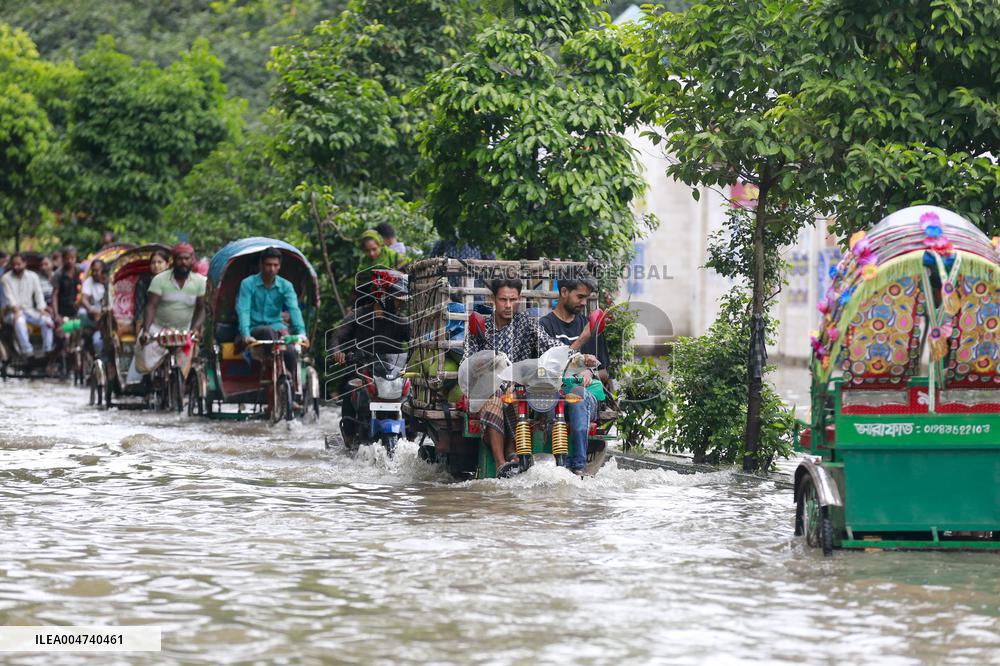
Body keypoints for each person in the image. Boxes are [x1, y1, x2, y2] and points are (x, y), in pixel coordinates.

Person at [464, 277, 563, 473]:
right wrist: (486, 364)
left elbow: (549, 345)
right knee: (495, 400)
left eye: (513, 299)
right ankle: (501, 463)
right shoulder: (481, 327)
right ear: (493, 299)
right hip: (487, 392)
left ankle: (513, 451)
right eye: (503, 300)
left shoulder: (527, 324)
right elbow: (467, 362)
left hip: (518, 390)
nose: (508, 305)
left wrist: (573, 355)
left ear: (519, 299)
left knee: (518, 396)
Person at [539, 272, 610, 475]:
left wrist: (591, 372)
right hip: (555, 394)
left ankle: (578, 467)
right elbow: (547, 369)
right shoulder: (545, 326)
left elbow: (605, 373)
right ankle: (556, 464)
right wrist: (581, 341)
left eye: (587, 298)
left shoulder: (591, 326)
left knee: (578, 396)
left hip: (586, 397)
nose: (583, 302)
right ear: (563, 292)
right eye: (580, 297)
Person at [136, 243, 206, 380]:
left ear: (192, 260)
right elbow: (151, 306)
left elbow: (201, 308)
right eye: (180, 259)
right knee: (144, 357)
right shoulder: (159, 280)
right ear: (174, 260)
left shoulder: (200, 282)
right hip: (158, 330)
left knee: (184, 372)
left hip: (184, 332)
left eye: (187, 259)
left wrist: (195, 329)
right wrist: (145, 330)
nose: (183, 262)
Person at [236, 247, 308, 378]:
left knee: (291, 350)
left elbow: (294, 309)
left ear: (279, 266)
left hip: (277, 328)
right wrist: (246, 334)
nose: (272, 269)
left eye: (275, 265)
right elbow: (244, 310)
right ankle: (274, 367)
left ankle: (291, 384)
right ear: (261, 265)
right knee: (267, 331)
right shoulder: (248, 284)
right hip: (255, 329)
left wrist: (301, 332)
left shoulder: (286, 286)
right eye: (268, 265)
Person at [1, 253, 55, 361]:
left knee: (47, 321)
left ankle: (47, 350)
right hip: (12, 312)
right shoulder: (5, 279)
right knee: (20, 321)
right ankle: (27, 352)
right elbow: (10, 298)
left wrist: (41, 308)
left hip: (30, 310)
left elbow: (38, 294)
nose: (16, 267)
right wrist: (16, 311)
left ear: (24, 264)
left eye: (19, 264)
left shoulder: (33, 276)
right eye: (14, 264)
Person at [80, 259, 108, 355]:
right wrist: (91, 309)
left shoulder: (109, 281)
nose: (95, 273)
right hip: (95, 316)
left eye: (97, 270)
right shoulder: (89, 281)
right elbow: (84, 299)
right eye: (93, 270)